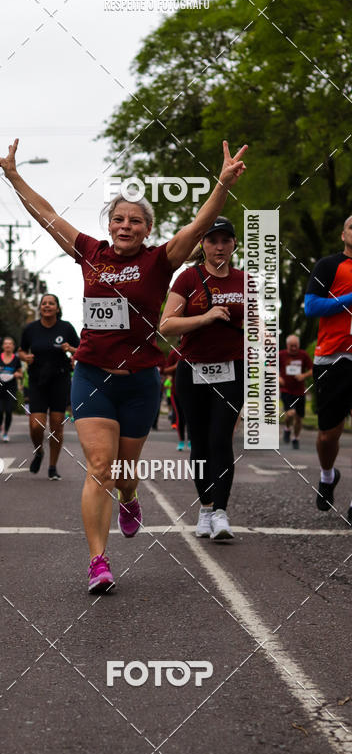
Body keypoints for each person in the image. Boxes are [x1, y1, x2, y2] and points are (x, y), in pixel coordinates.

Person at [0, 138, 247, 592]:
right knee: (100, 467)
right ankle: (98, 561)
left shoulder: (159, 261)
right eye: (118, 219)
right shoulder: (91, 252)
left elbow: (199, 225)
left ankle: (130, 497)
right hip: (91, 376)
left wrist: (223, 184)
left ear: (147, 229)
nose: (125, 225)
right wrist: (14, 176)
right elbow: (46, 215)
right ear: (109, 225)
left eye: (135, 220)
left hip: (140, 382)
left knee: (125, 475)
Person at [160, 217, 245, 542]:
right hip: (193, 369)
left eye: (225, 240)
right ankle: (206, 508)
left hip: (232, 369)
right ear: (203, 245)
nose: (219, 247)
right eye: (213, 240)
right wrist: (205, 317)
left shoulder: (245, 281)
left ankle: (221, 512)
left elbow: (256, 323)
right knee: (199, 441)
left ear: (234, 244)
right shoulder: (188, 278)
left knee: (221, 439)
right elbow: (166, 325)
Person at [304, 215, 352, 519]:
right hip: (333, 359)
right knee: (327, 435)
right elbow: (311, 307)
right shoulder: (328, 265)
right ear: (343, 235)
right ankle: (327, 475)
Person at [18, 294, 79, 480]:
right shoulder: (31, 329)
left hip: (60, 379)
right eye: (44, 303)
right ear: (40, 308)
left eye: (51, 303)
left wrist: (70, 349)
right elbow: (21, 350)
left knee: (56, 426)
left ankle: (53, 467)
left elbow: (81, 349)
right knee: (36, 425)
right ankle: (39, 451)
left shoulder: (66, 328)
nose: (47, 306)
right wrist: (25, 357)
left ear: (57, 308)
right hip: (37, 380)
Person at [278, 335, 312, 450]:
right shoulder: (281, 355)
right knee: (290, 413)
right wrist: (277, 377)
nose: (293, 348)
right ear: (287, 345)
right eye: (291, 346)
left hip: (300, 391)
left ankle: (296, 438)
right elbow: (268, 365)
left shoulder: (303, 355)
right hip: (286, 390)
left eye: (295, 346)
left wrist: (304, 375)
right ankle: (287, 428)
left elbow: (312, 369)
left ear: (299, 345)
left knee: (299, 418)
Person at [0, 336, 23, 441]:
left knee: (9, 411)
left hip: (11, 388)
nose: (8, 345)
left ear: (13, 346)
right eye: (6, 343)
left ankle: (5, 433)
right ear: (3, 346)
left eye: (10, 344)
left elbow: (21, 374)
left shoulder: (16, 359)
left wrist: (16, 374)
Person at [163, 348, 188, 450]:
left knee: (192, 418)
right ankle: (181, 441)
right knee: (180, 417)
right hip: (176, 392)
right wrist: (176, 366)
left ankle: (191, 441)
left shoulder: (197, 350)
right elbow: (164, 371)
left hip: (193, 391)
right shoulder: (174, 353)